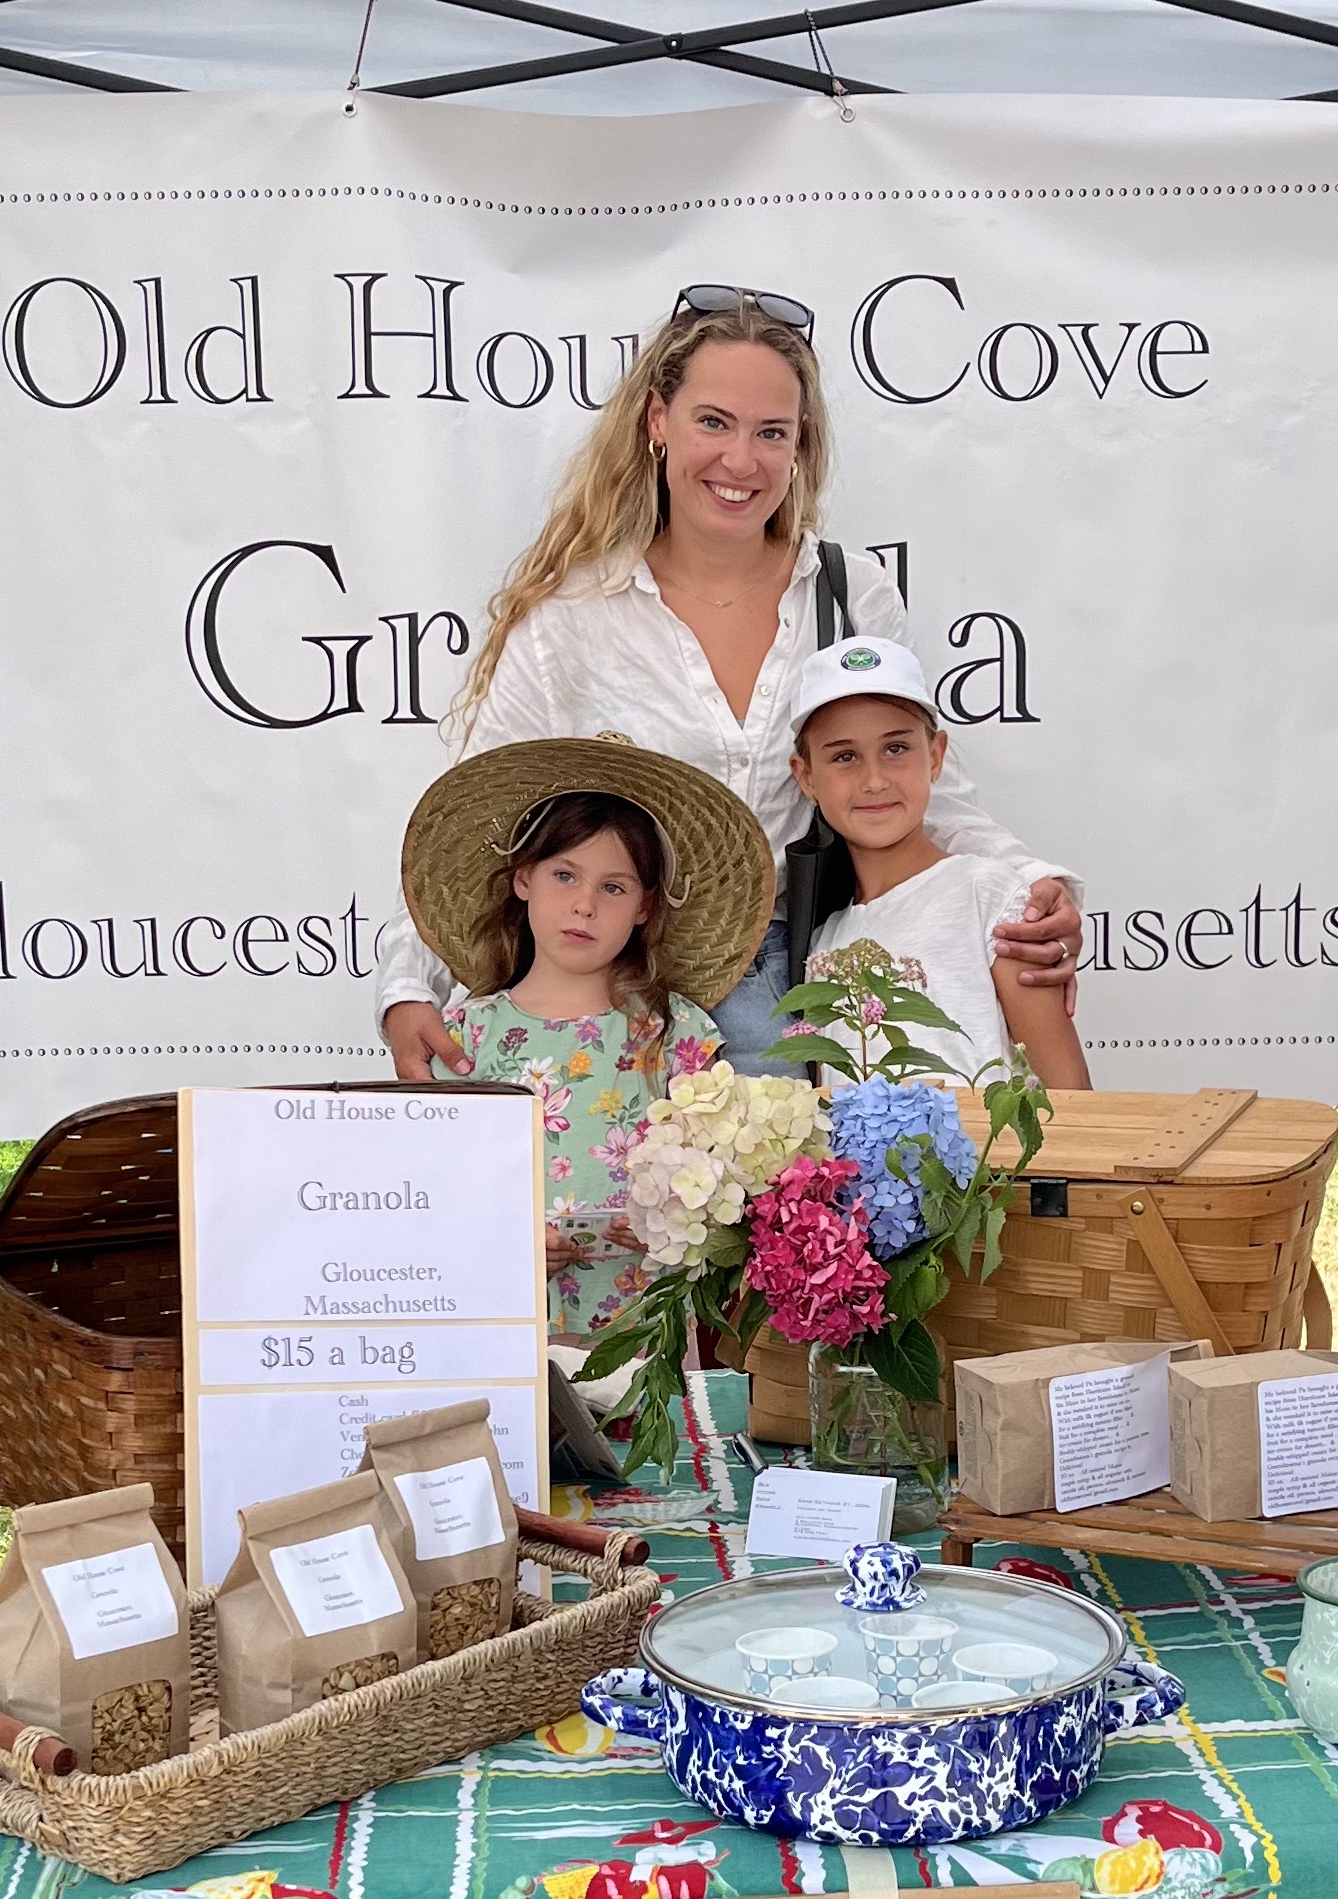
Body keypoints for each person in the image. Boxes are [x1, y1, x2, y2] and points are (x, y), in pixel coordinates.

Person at [377, 287, 1080, 1081]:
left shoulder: (849, 595)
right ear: (656, 422)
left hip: (821, 975)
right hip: (628, 988)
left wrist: (1031, 885)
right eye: (713, 421)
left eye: (770, 432)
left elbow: (920, 786)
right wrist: (408, 985)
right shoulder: (573, 618)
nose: (741, 460)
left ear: (798, 444)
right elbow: (478, 816)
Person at [396, 733, 776, 1336]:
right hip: (505, 1331)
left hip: (646, 1331)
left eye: (614, 887)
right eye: (565, 875)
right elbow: (427, 1190)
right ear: (523, 880)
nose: (585, 906)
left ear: (645, 908)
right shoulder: (466, 1035)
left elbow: (724, 1176)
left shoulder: (678, 1034)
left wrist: (677, 1217)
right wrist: (505, 1240)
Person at [789, 635, 1092, 1091]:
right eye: (845, 757)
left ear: (935, 756)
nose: (874, 781)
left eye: (896, 749)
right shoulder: (825, 941)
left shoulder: (990, 898)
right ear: (806, 775)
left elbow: (1071, 1098)